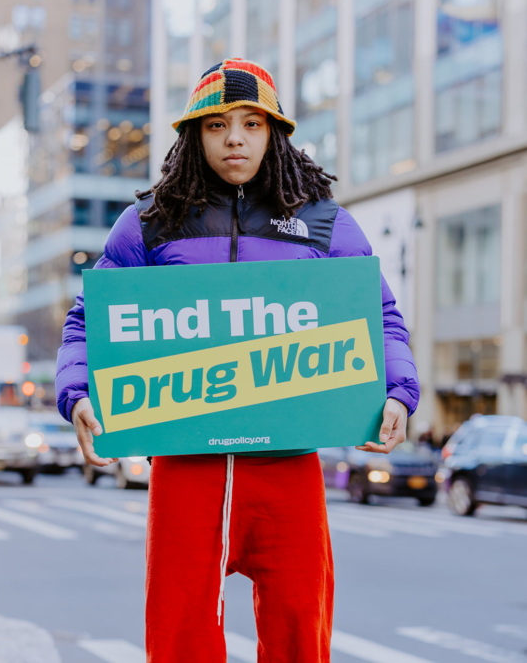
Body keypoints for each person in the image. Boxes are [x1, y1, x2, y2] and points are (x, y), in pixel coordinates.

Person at [56, 58, 419, 663]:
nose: (234, 139)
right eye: (218, 124)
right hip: (185, 466)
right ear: (193, 135)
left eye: (252, 123)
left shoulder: (324, 224)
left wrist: (397, 391)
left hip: (290, 462)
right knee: (178, 634)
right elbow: (88, 320)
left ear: (274, 134)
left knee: (301, 628)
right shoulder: (146, 224)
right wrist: (79, 394)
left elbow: (378, 315)